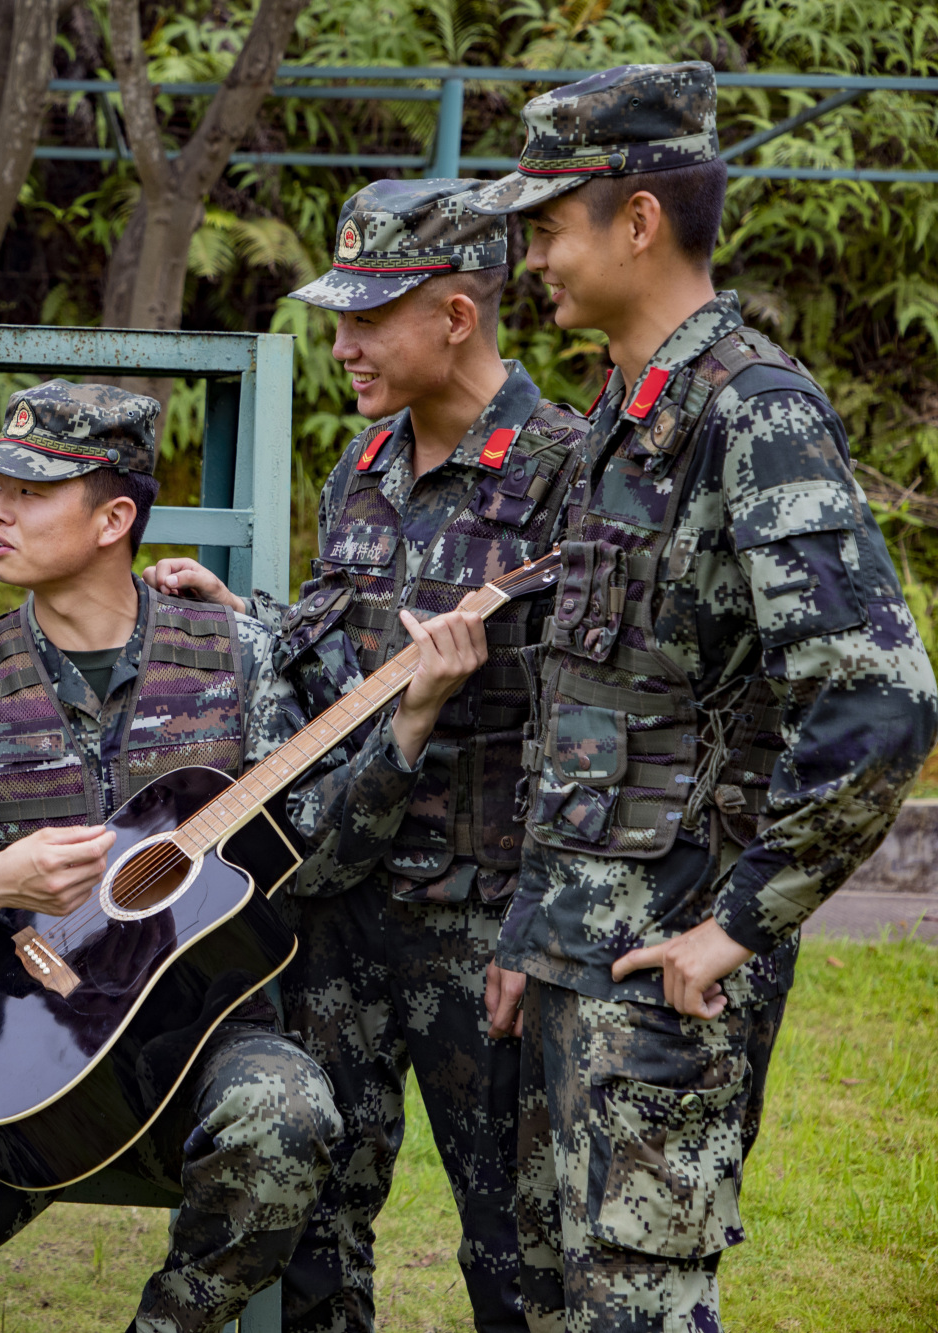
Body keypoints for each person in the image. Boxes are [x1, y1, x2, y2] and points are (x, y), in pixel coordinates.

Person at [0, 380, 493, 1333]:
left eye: (31, 492)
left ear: (114, 518)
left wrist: (410, 726)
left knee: (288, 1110)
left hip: (189, 1051)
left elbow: (319, 856)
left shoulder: (235, 658)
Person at [459, 62, 938, 1331]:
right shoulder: (624, 416)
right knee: (535, 1297)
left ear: (636, 221)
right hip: (569, 960)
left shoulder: (752, 419)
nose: (529, 260)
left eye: (546, 226)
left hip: (665, 977)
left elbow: (875, 702)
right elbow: (585, 700)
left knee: (637, 1309)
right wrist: (525, 934)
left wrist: (738, 925)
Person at [145, 179, 590, 1332]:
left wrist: (538, 923)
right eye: (335, 317)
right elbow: (332, 665)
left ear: (454, 315)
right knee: (315, 1236)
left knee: (514, 1240)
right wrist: (237, 616)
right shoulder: (363, 466)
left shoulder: (566, 474)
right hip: (337, 907)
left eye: (366, 317)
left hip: (476, 921)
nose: (339, 344)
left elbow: (591, 730)